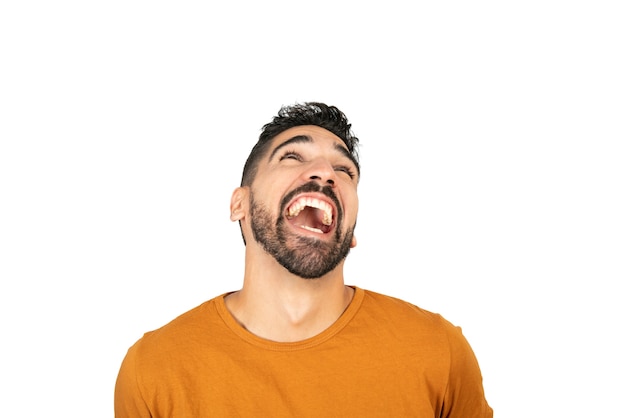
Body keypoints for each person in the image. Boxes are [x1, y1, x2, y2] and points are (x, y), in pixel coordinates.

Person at [114, 102, 493, 417]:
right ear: (239, 204)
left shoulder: (438, 352)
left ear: (351, 230)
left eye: (344, 170)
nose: (326, 173)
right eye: (292, 156)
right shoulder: (154, 369)